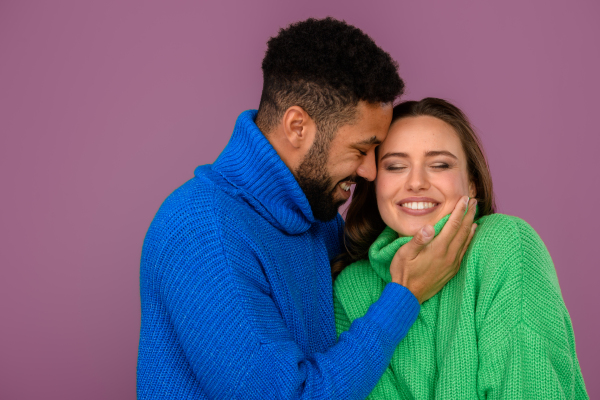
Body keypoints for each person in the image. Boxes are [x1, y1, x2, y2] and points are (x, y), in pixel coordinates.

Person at [137, 19, 477, 399]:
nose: (369, 171)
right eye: (360, 150)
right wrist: (405, 295)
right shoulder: (201, 233)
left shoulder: (318, 217)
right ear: (298, 126)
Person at [333, 98, 589, 399]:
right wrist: (402, 298)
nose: (416, 182)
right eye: (396, 166)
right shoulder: (350, 289)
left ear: (472, 184)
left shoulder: (506, 245)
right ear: (374, 183)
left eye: (440, 165)